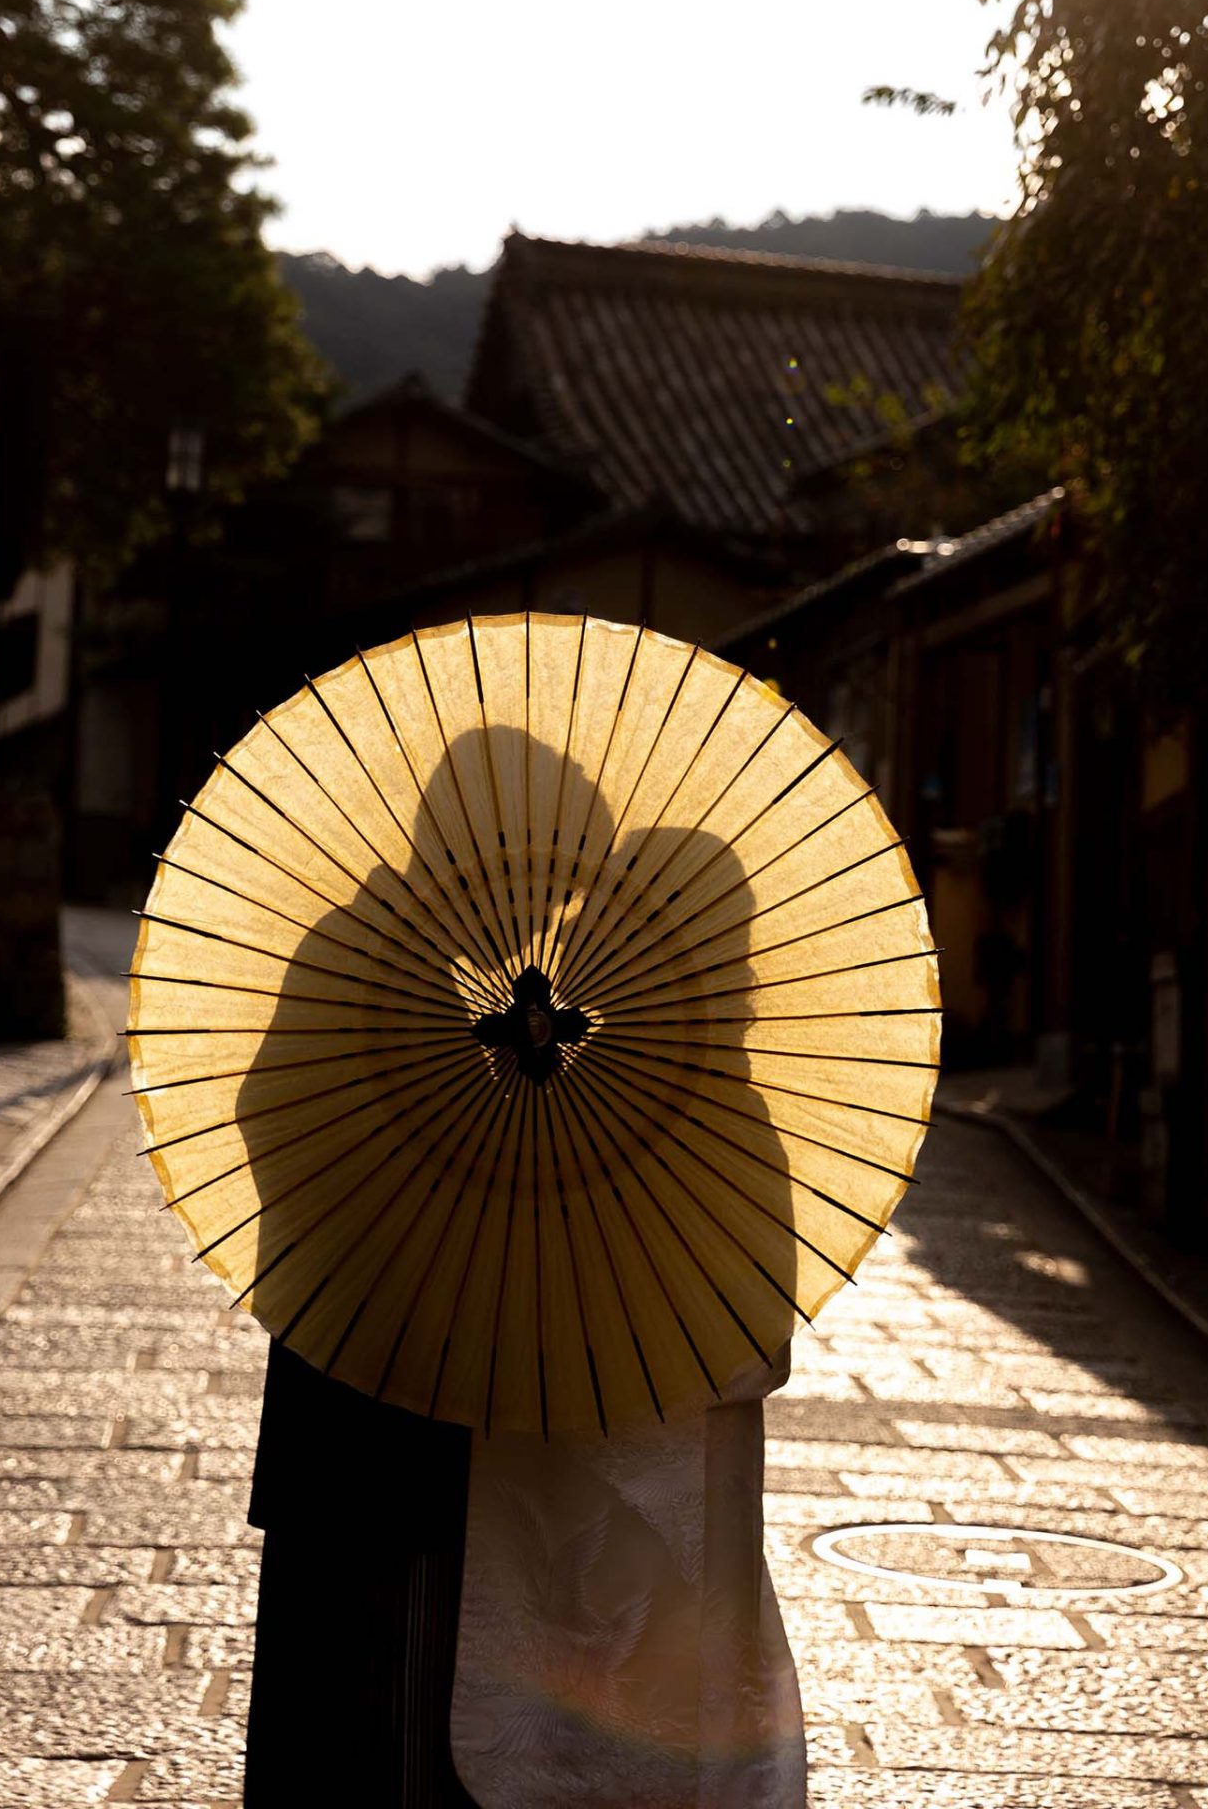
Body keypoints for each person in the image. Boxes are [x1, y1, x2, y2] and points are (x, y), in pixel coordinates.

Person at [237, 728, 806, 1809]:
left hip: (403, 1403)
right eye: (555, 880)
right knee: (361, 1719)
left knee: (377, 1722)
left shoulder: (429, 968)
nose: (551, 917)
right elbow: (309, 1140)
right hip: (374, 1396)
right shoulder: (391, 967)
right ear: (491, 845)